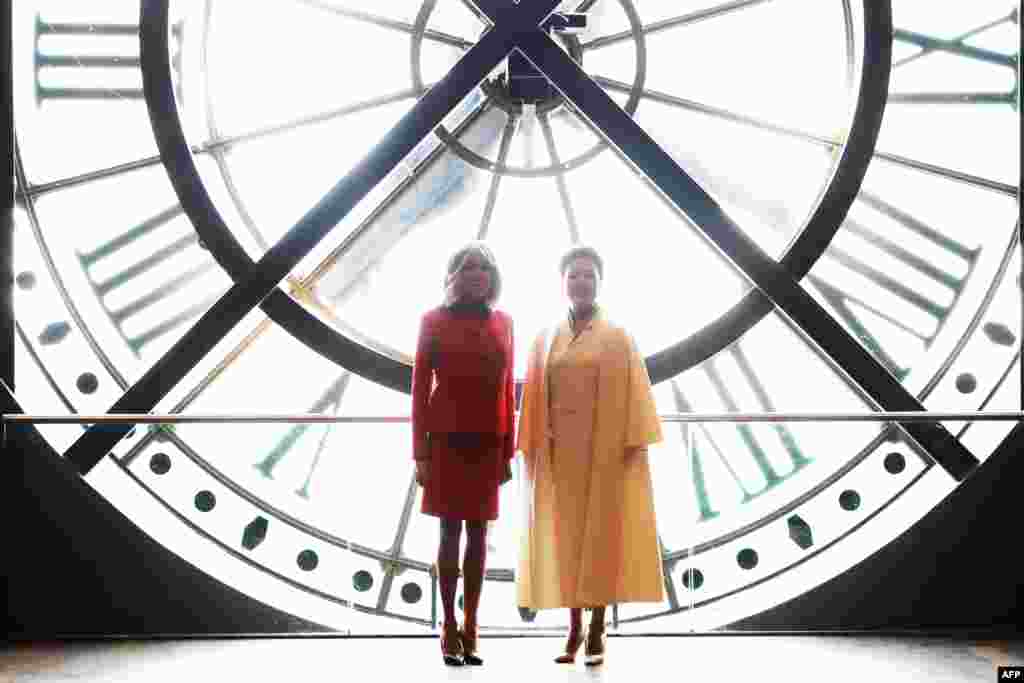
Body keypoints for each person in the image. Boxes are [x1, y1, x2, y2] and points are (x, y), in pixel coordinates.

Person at [516, 245, 664, 666]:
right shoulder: (545, 337)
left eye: (588, 275)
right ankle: (573, 628)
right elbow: (533, 396)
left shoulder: (618, 335)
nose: (580, 282)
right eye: (573, 275)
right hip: (560, 455)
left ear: (599, 282)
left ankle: (597, 628)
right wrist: (532, 444)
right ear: (562, 282)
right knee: (566, 542)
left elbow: (637, 392)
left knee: (600, 540)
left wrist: (631, 445)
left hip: (604, 452)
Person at [412, 242, 515, 667]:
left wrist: (508, 448)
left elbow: (509, 390)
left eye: (484, 268)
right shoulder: (431, 320)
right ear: (452, 275)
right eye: (468, 267)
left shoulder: (506, 322)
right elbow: (419, 390)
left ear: (492, 278)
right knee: (449, 537)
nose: (476, 274)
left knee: (479, 538)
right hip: (446, 441)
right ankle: (449, 625)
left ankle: (471, 626)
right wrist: (419, 452)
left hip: (488, 441)